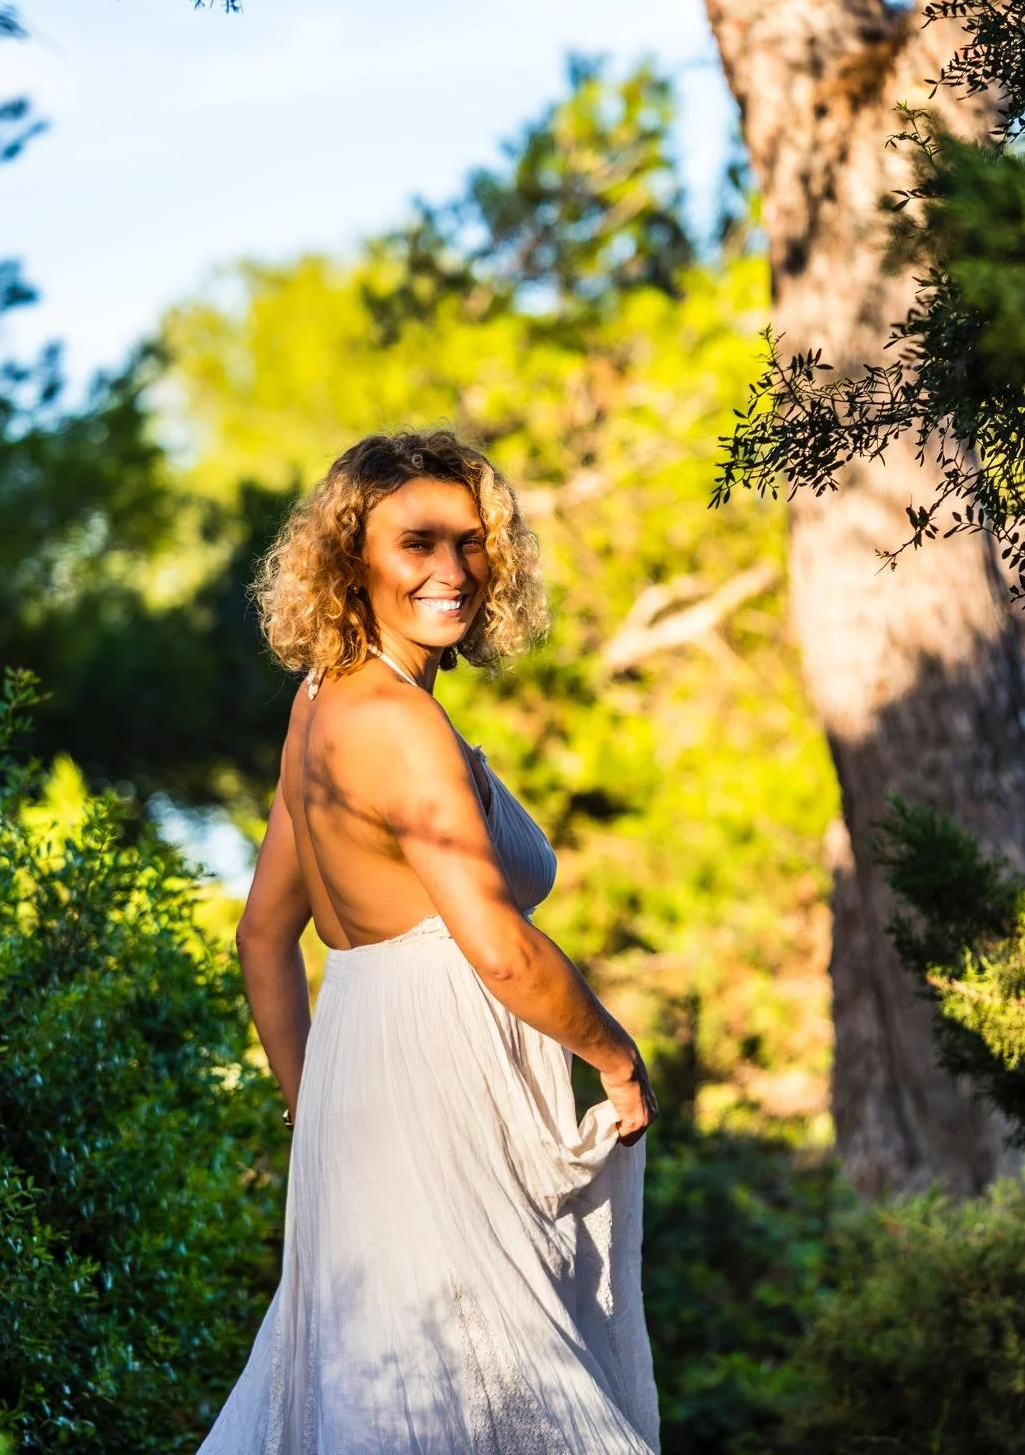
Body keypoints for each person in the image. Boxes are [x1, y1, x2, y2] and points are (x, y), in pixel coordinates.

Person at [195, 428, 661, 1454]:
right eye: (417, 543)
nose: (453, 569)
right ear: (350, 559)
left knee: (420, 1386)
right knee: (496, 1391)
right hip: (438, 1083)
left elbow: (263, 936)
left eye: (470, 541)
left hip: (365, 1083)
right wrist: (616, 1057)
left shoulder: (320, 701)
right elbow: (498, 947)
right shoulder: (398, 725)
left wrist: (316, 1110)